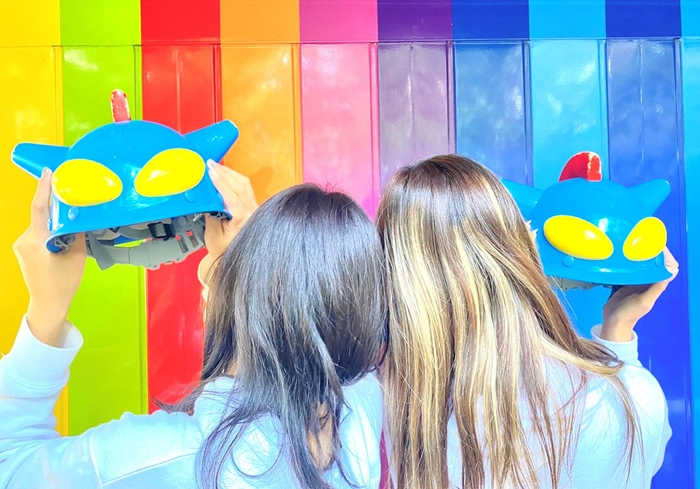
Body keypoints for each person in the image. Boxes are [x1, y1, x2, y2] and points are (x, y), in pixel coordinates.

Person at [0, 163, 386, 489]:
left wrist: (46, 311)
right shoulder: (362, 415)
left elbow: (9, 464)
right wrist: (265, 262)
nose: (205, 271)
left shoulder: (155, 459)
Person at [377, 154, 674, 489]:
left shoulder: (407, 408)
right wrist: (618, 332)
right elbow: (640, 461)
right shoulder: (631, 397)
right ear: (519, 253)